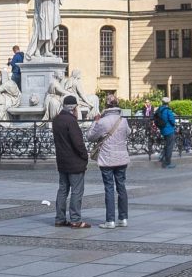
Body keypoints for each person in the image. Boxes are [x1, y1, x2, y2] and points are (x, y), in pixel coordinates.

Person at [50, 94, 91, 229]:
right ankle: (75, 219)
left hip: (62, 161)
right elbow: (78, 142)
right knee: (76, 191)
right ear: (73, 108)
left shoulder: (56, 120)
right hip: (74, 162)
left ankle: (60, 218)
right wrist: (85, 155)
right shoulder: (71, 121)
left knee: (62, 190)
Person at [89, 101, 131, 229]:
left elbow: (90, 136)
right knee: (121, 187)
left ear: (106, 107)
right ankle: (123, 218)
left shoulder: (102, 121)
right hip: (121, 158)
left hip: (107, 159)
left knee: (109, 188)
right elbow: (128, 132)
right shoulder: (123, 120)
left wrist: (94, 122)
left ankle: (110, 220)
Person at [154, 98, 178, 168]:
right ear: (168, 103)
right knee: (169, 146)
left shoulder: (159, 109)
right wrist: (174, 124)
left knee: (167, 144)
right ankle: (167, 163)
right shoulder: (167, 110)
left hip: (162, 130)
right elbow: (172, 120)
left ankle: (162, 156)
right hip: (169, 130)